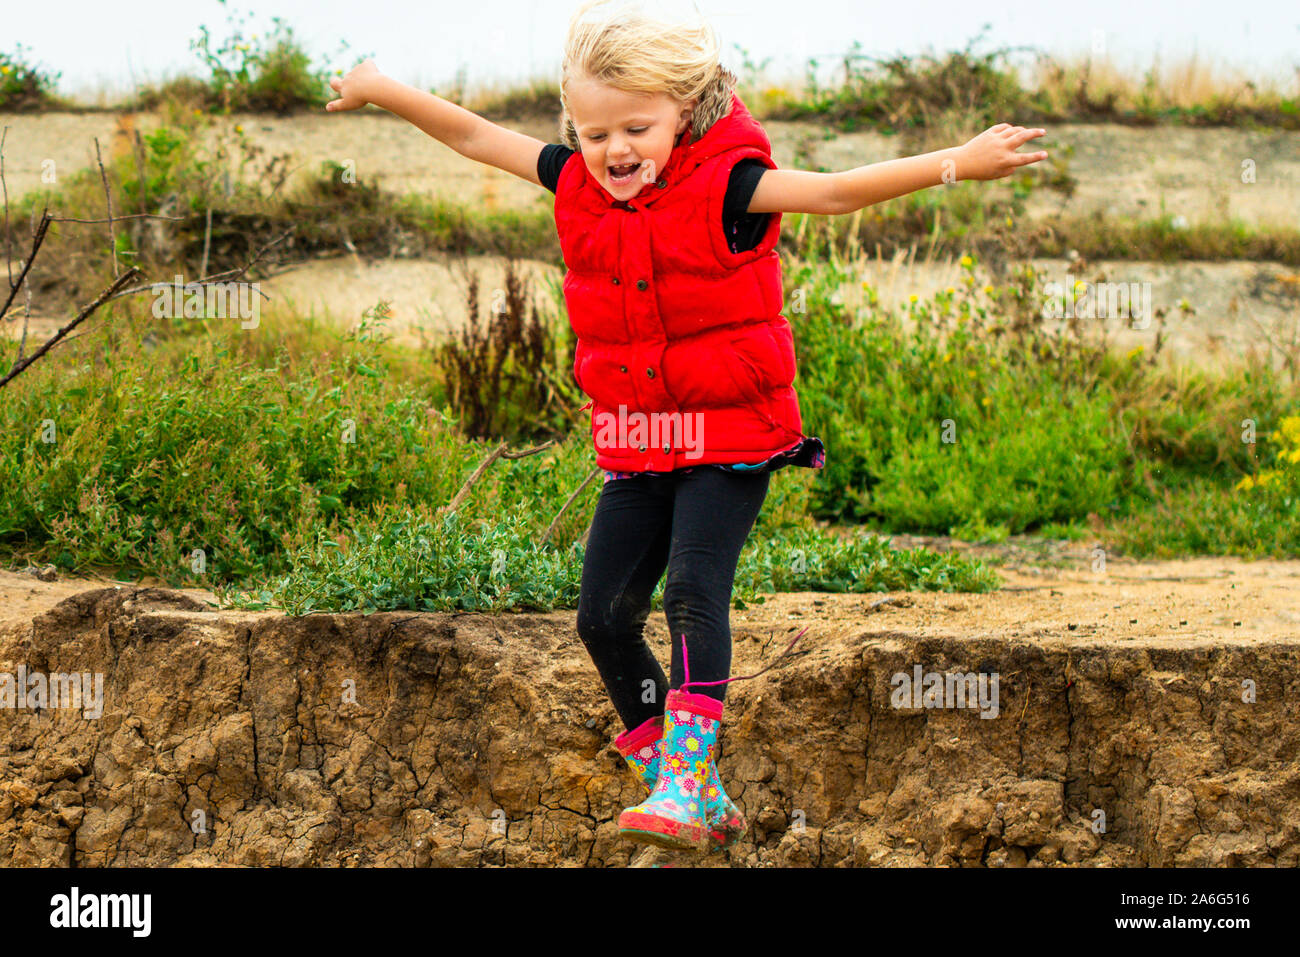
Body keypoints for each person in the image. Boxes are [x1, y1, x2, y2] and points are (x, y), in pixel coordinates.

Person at [325, 0, 1049, 854]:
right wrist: (383, 88)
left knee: (692, 592)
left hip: (732, 439)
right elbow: (479, 138)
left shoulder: (731, 185)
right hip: (639, 443)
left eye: (637, 127)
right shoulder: (576, 181)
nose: (615, 151)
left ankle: (684, 779)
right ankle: (688, 783)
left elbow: (839, 191)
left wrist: (955, 164)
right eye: (594, 134)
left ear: (685, 112)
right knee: (601, 616)